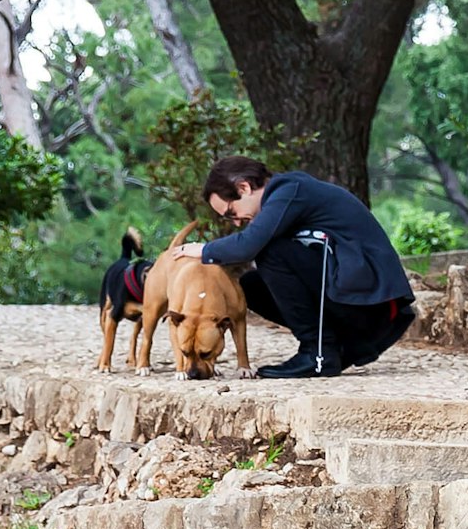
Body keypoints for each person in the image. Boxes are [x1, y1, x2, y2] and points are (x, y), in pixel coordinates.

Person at [168, 156, 417, 379]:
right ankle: (331, 346)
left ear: (243, 187)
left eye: (231, 212)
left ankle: (316, 352)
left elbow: (248, 245)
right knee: (252, 286)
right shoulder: (286, 196)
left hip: (375, 305)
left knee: (270, 250)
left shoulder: (288, 191)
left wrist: (204, 250)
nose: (235, 222)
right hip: (355, 300)